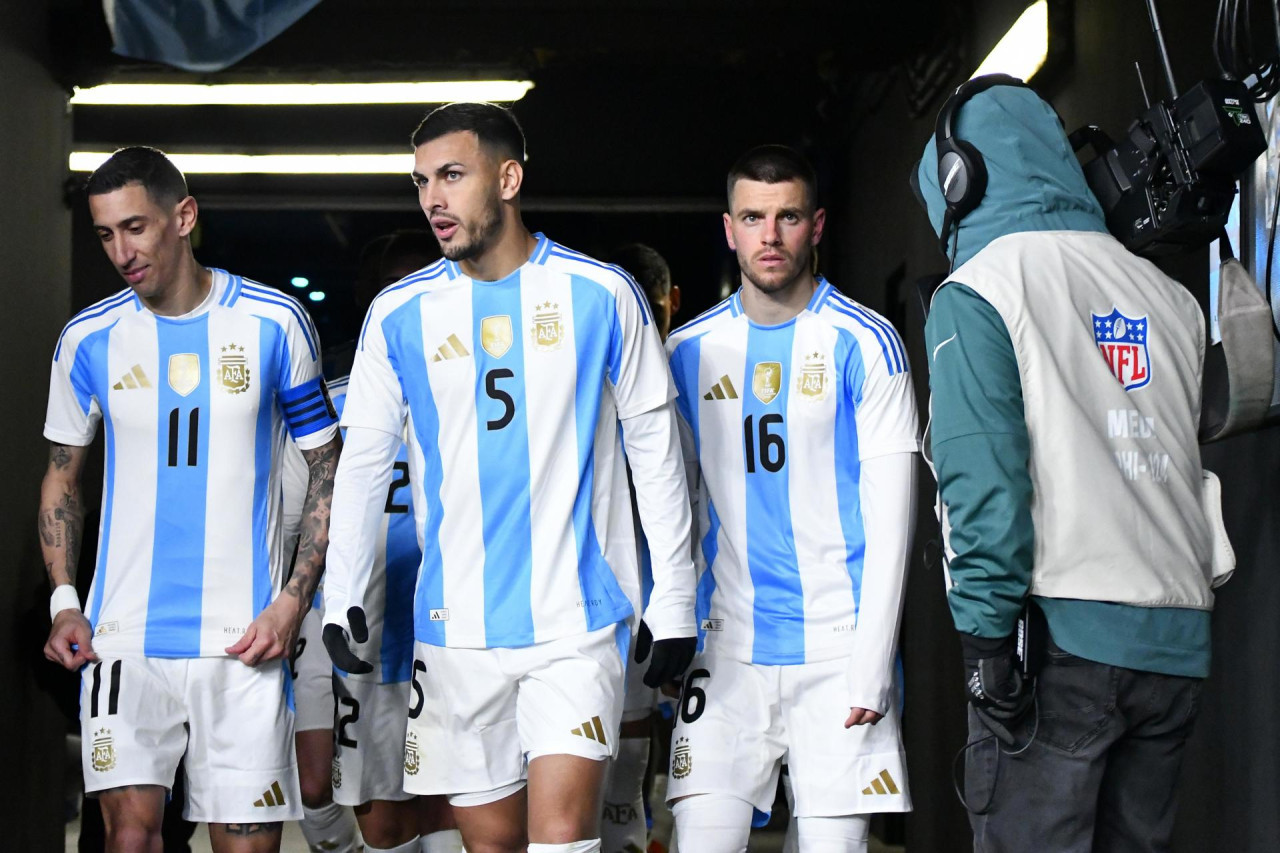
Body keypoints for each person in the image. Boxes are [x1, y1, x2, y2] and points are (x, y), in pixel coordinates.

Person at [322, 102, 698, 853]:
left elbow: (656, 449)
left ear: (509, 177)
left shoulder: (602, 294)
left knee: (561, 834)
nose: (433, 197)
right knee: (491, 844)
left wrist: (677, 595)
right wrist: (342, 592)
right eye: (423, 180)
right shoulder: (399, 312)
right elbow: (362, 462)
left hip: (575, 620)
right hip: (454, 627)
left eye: (452, 176)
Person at [913, 76, 1217, 852]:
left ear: (957, 179)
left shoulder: (979, 290)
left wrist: (985, 646)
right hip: (1176, 642)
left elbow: (984, 481)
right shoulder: (1171, 297)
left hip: (1058, 650)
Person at [40, 146, 341, 853]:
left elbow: (328, 467)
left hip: (242, 639)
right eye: (106, 233)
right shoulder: (87, 339)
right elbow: (61, 476)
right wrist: (64, 601)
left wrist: (293, 600)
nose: (122, 250)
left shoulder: (275, 322)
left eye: (136, 227)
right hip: (124, 638)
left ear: (184, 216)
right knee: (131, 839)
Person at [664, 145, 919, 853]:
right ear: (728, 228)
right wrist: (668, 625)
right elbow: (670, 507)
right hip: (725, 653)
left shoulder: (868, 342)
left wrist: (873, 660)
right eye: (753, 217)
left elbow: (895, 517)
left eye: (787, 217)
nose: (769, 235)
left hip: (838, 654)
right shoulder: (685, 351)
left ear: (817, 225)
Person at [599, 244, 682, 853]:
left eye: (649, 308)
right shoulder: (581, 377)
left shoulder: (702, 364)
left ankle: (641, 834)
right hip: (603, 592)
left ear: (670, 304)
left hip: (682, 592)